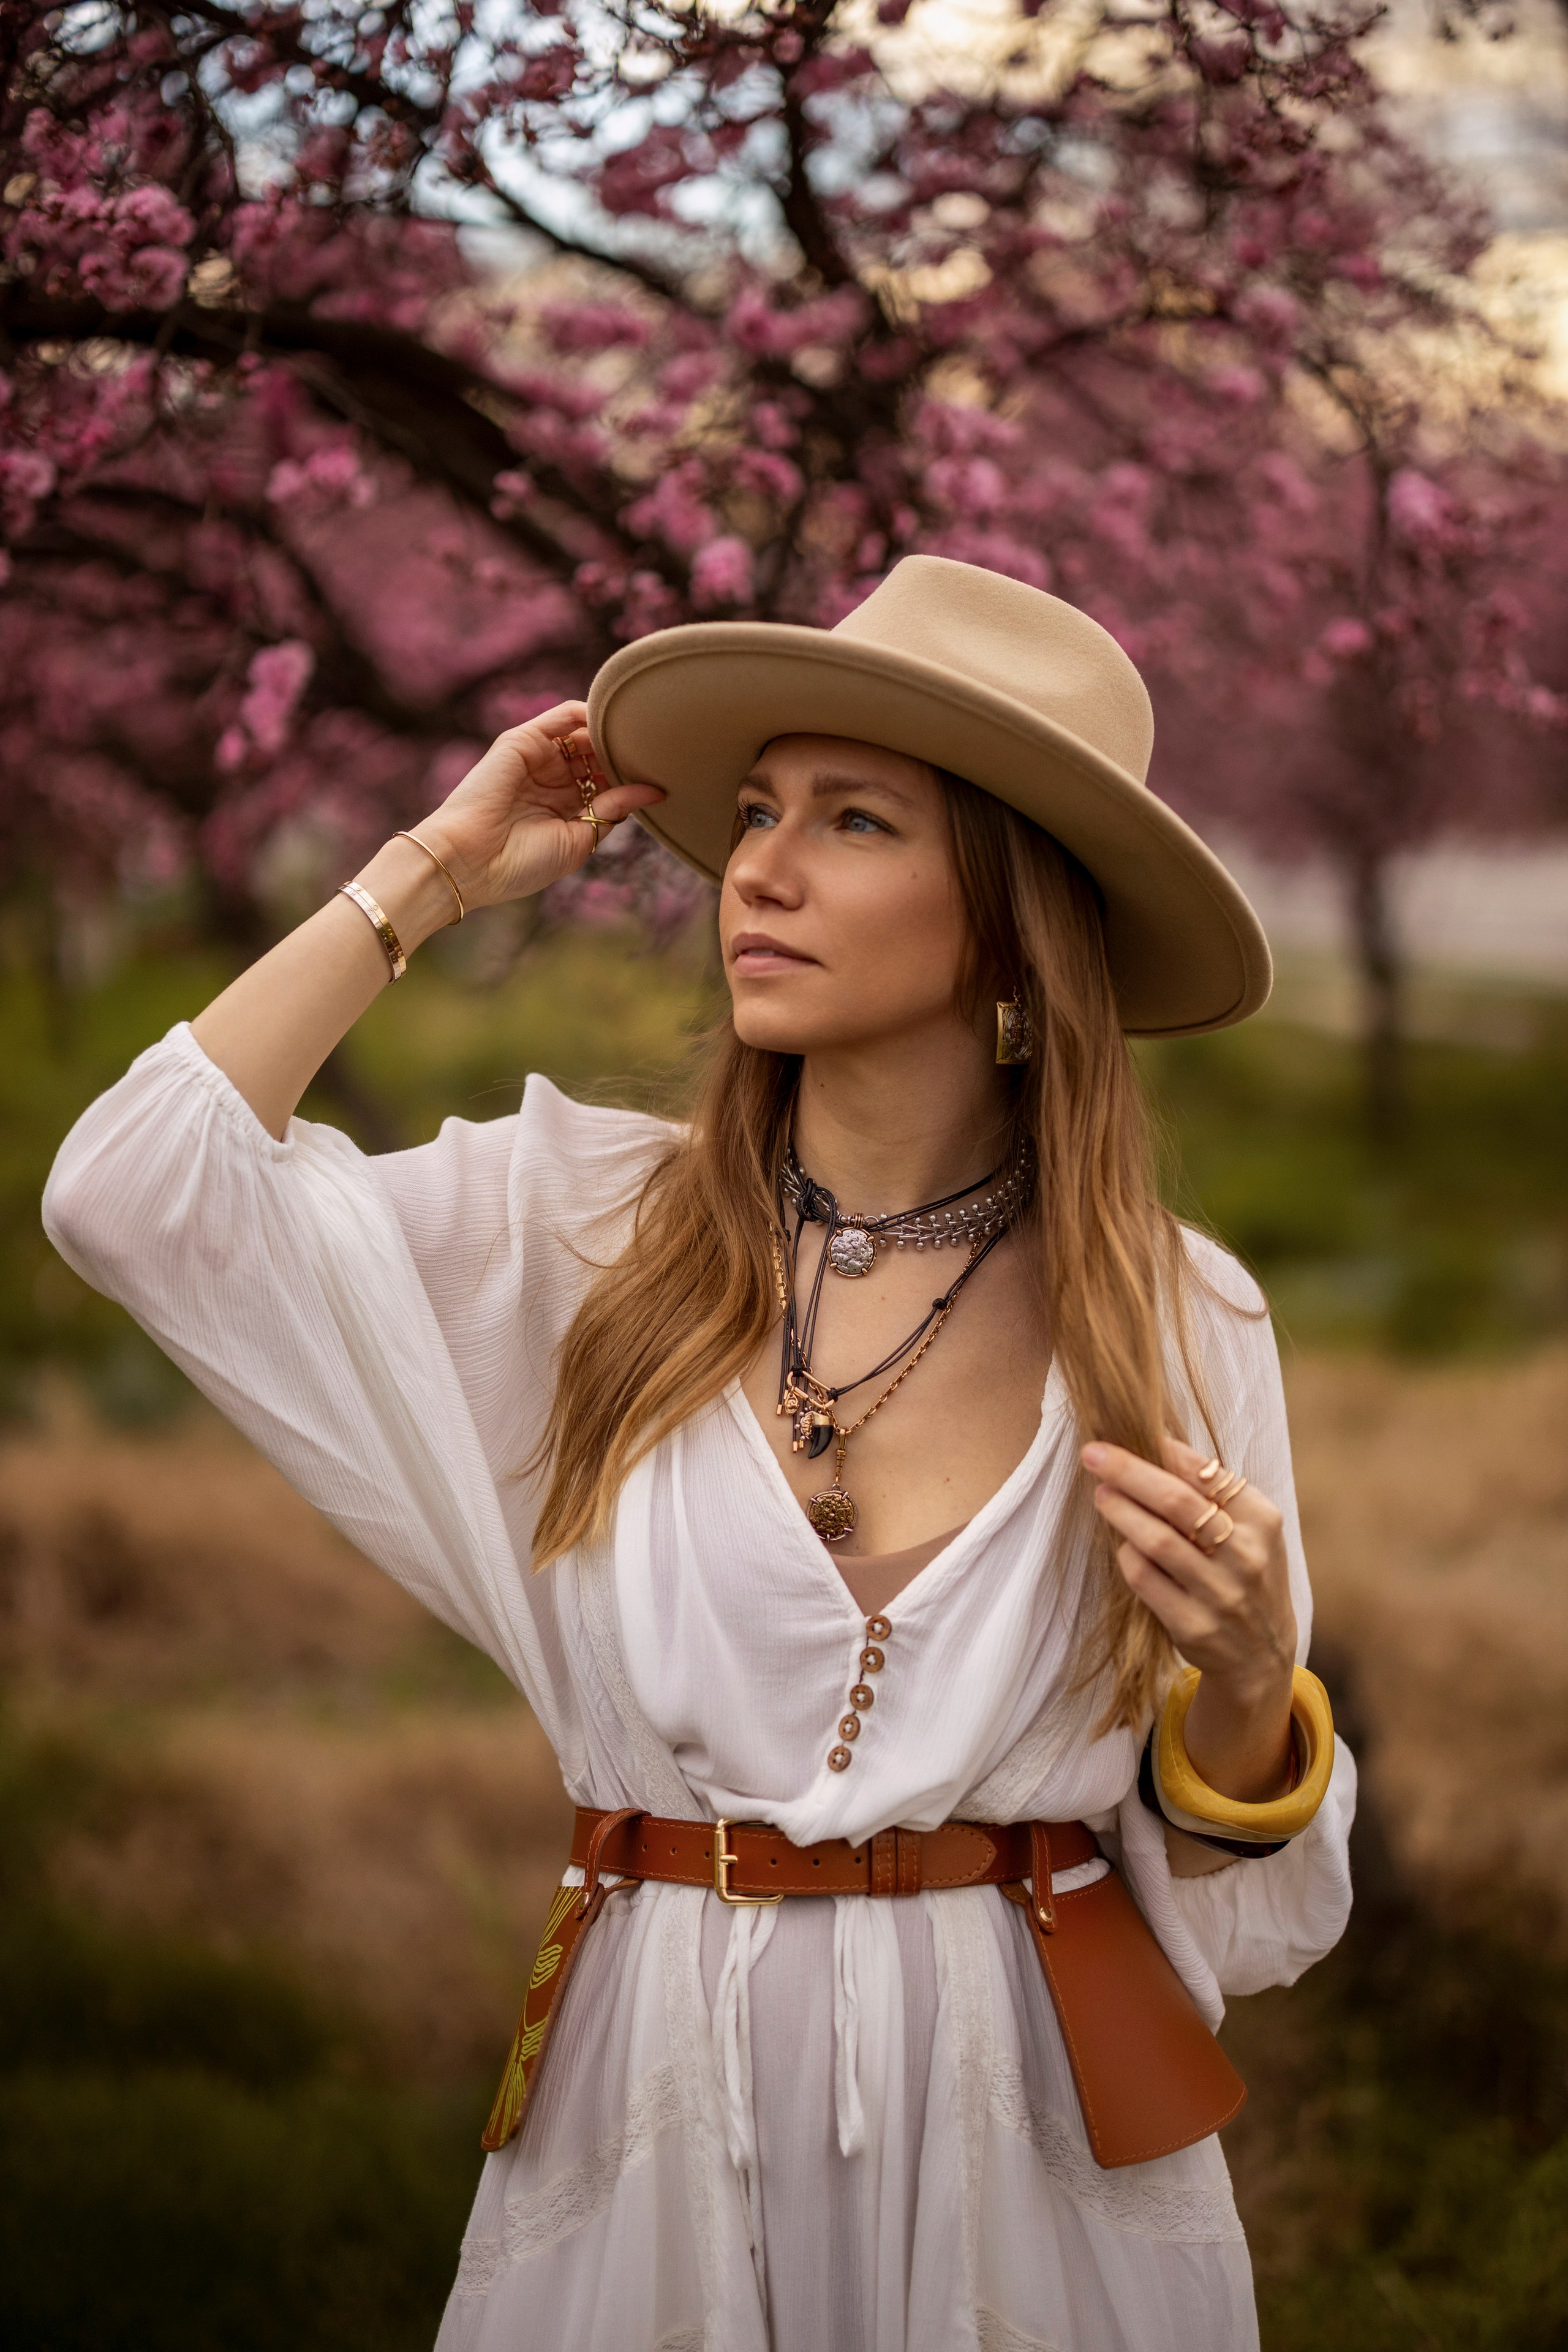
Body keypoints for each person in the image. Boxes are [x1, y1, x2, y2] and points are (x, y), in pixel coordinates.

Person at [44, 555, 1354, 2352]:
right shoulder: (582, 1235)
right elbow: (128, 1196)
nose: (762, 867)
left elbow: (1255, 1897)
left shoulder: (1178, 1318)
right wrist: (427, 870)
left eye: (857, 820)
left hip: (1027, 2143)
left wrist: (1250, 1677)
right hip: (650, 2102)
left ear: (1007, 911)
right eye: (755, 812)